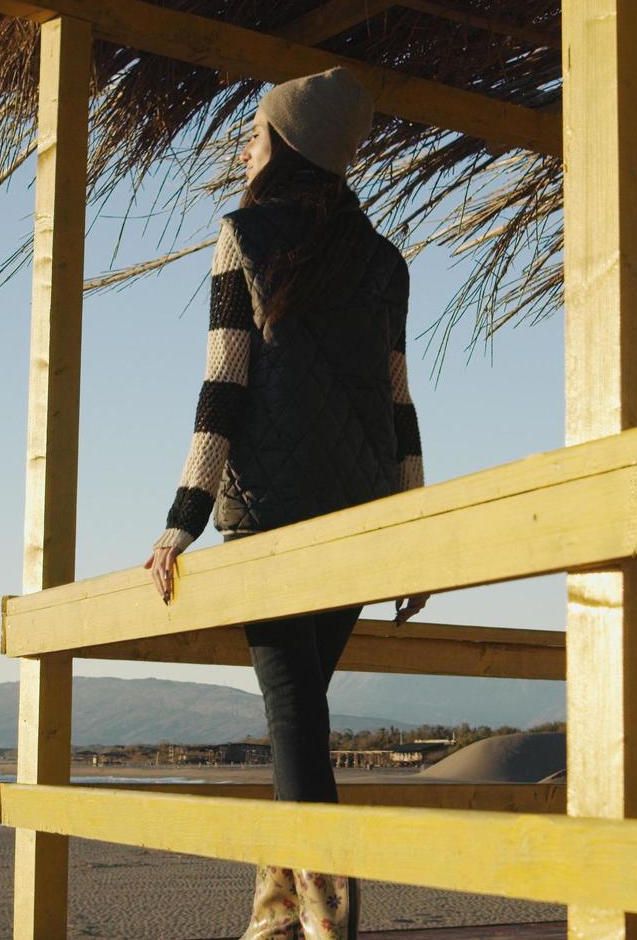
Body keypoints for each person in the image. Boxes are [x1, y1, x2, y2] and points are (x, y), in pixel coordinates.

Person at [142, 67, 427, 940]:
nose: (243, 147)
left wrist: (179, 521)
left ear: (287, 144)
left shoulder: (242, 235)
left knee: (295, 712)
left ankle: (327, 920)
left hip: (267, 518)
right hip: (364, 516)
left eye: (254, 133)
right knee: (301, 712)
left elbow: (223, 386)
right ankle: (276, 914)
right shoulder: (386, 261)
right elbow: (399, 400)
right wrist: (413, 529)